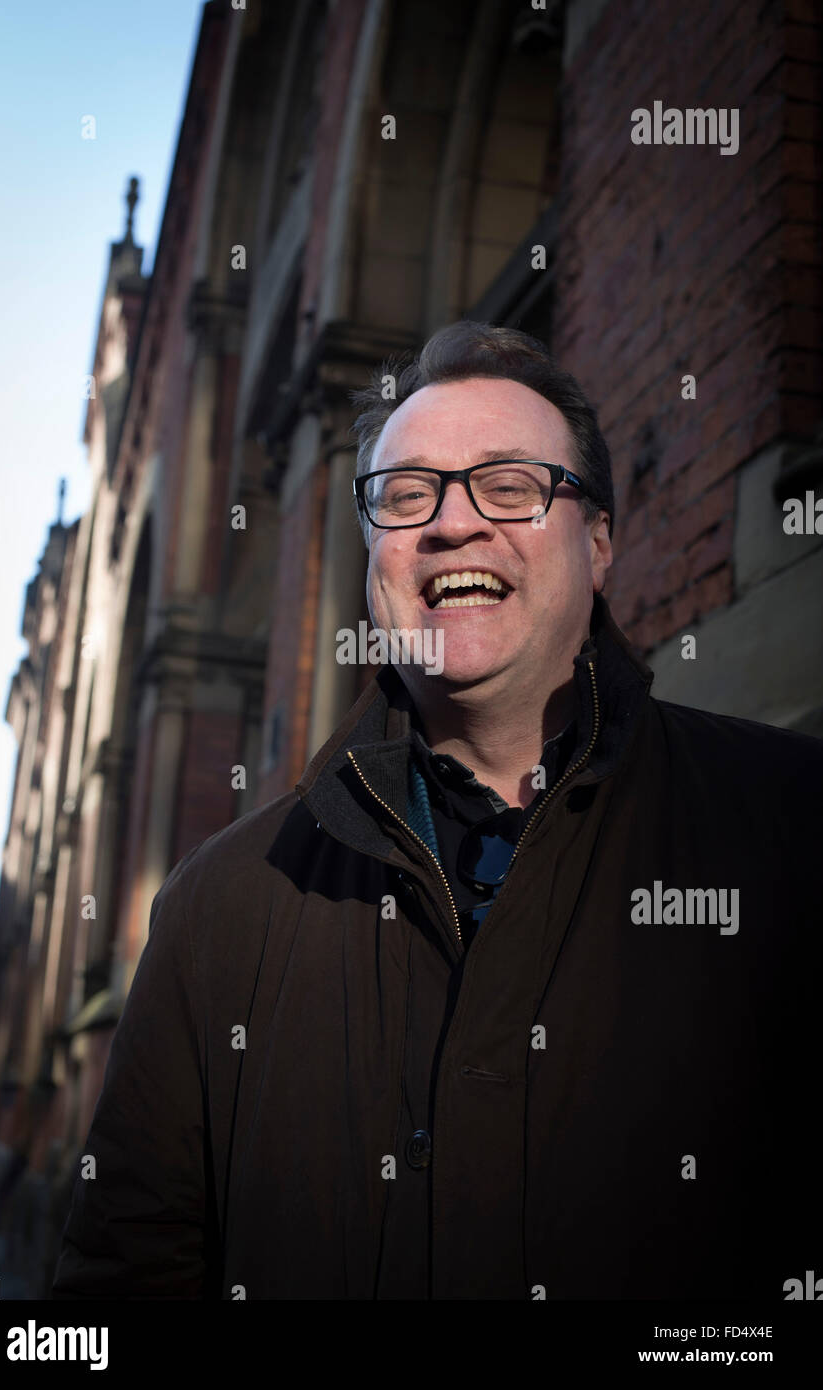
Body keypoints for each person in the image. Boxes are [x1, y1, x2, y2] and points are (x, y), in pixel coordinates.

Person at [51, 321, 821, 1301]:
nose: (451, 524)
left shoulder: (790, 824)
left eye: (508, 485)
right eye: (406, 494)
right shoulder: (217, 906)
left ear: (597, 543)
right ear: (374, 556)